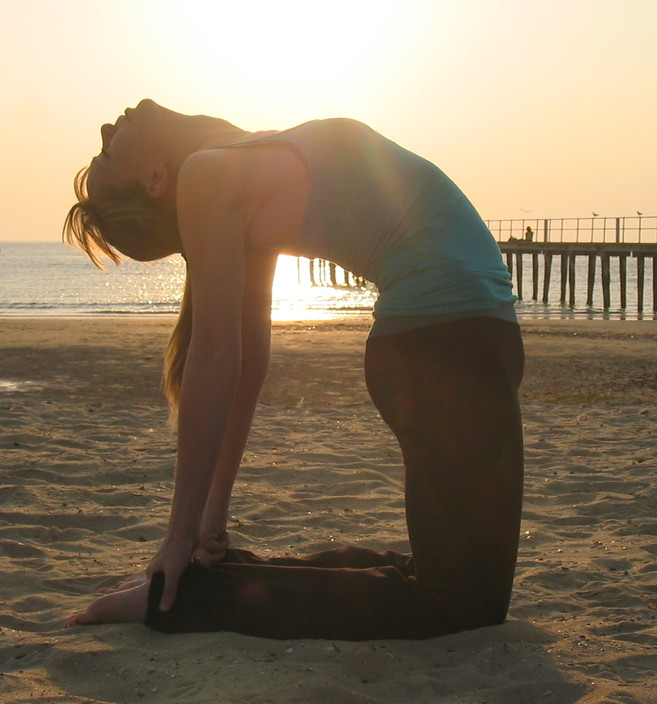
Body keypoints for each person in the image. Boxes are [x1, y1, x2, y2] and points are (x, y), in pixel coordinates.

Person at [62, 100, 524, 640]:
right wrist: (179, 533)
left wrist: (212, 518)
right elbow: (217, 358)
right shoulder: (210, 175)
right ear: (157, 177)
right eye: (107, 155)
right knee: (462, 607)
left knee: (448, 581)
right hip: (445, 346)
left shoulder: (231, 161)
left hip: (455, 339)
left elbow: (249, 357)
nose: (105, 129)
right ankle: (177, 601)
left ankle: (218, 576)